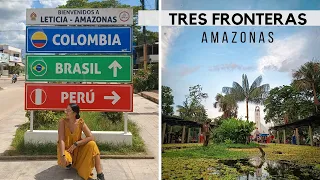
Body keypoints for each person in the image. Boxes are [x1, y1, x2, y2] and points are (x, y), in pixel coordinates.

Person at [57, 103, 105, 180]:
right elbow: (61, 139)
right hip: (66, 150)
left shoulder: (80, 122)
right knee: (66, 160)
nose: (66, 112)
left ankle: (100, 174)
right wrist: (62, 155)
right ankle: (69, 163)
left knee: (93, 144)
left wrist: (77, 144)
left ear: (75, 113)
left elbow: (91, 137)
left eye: (68, 111)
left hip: (77, 150)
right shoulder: (62, 122)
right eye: (66, 110)